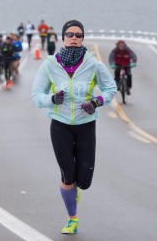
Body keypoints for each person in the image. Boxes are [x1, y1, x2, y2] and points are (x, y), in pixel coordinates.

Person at [32, 20, 116, 235]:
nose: (74, 37)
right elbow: (37, 96)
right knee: (68, 175)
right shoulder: (50, 64)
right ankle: (72, 218)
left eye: (78, 35)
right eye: (69, 34)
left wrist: (96, 102)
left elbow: (110, 88)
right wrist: (52, 98)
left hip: (86, 125)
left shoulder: (93, 63)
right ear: (63, 37)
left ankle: (76, 190)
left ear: (82, 38)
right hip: (59, 124)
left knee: (84, 181)